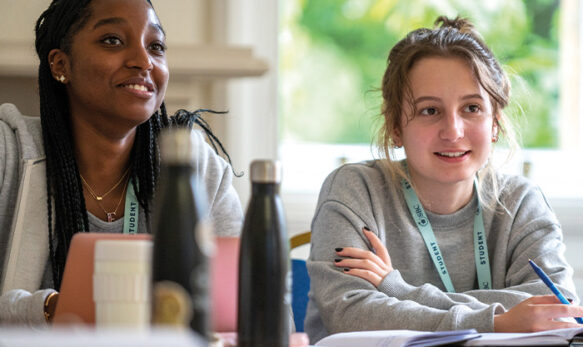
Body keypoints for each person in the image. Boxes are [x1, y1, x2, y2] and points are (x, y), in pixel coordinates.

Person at [305, 16, 583, 343]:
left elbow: (558, 309)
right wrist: (499, 321)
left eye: (472, 108)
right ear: (396, 126)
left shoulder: (522, 202)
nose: (453, 131)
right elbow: (350, 316)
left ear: (495, 123)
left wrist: (398, 290)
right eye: (429, 111)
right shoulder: (356, 189)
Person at [0, 0, 242, 325]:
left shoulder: (196, 167)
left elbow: (261, 310)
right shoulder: (8, 152)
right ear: (61, 65)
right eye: (112, 40)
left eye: (156, 46)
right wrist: (51, 309)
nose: (143, 60)